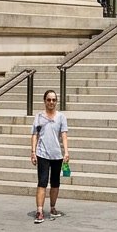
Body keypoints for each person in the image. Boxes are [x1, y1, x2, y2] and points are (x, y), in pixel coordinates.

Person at [30, 90, 69, 223]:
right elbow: (35, 134)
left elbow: (63, 134)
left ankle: (52, 208)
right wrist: (33, 152)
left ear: (56, 101)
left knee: (55, 183)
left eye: (53, 100)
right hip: (42, 154)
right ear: (44, 101)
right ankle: (40, 211)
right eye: (49, 100)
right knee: (42, 182)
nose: (51, 102)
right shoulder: (39, 117)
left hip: (57, 154)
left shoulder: (61, 117)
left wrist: (66, 152)